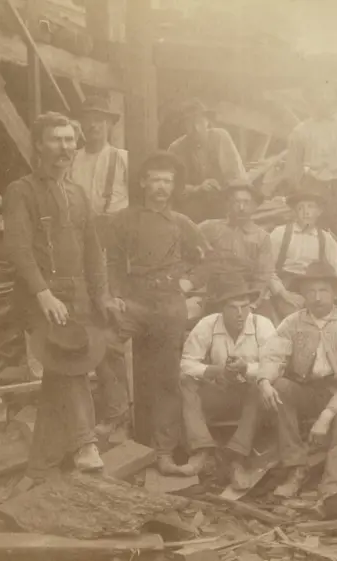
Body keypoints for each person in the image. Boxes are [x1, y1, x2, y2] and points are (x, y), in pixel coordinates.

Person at [3, 112, 110, 478]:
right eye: (55, 140)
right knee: (69, 363)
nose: (64, 147)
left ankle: (42, 465)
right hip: (41, 298)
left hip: (77, 296)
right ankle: (85, 443)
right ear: (38, 145)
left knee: (59, 373)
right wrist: (43, 294)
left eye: (69, 140)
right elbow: (18, 248)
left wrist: (101, 296)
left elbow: (93, 251)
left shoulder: (79, 194)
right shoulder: (21, 190)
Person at [104, 151, 210, 476]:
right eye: (156, 180)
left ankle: (163, 452)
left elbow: (207, 260)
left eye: (168, 181)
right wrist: (114, 295)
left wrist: (189, 282)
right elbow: (110, 262)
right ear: (143, 183)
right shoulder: (123, 220)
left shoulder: (181, 223)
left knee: (166, 378)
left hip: (168, 305)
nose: (162, 187)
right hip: (134, 301)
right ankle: (117, 417)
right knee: (103, 342)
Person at [258, 261, 337, 519]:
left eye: (323, 290)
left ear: (335, 293)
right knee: (280, 387)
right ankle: (296, 469)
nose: (317, 298)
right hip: (304, 389)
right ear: (303, 295)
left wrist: (327, 415)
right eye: (311, 291)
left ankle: (335, 490)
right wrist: (264, 381)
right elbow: (274, 355)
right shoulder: (292, 323)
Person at [69, 95, 130, 438]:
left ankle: (121, 410)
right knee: (88, 329)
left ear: (109, 124)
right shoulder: (73, 160)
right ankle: (103, 409)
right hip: (80, 246)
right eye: (87, 119)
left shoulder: (122, 159)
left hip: (114, 246)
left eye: (99, 119)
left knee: (112, 327)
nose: (92, 125)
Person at [180, 273, 276, 485]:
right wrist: (215, 371)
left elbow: (275, 365)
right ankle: (202, 450)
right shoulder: (208, 325)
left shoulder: (262, 325)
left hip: (252, 400)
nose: (240, 314)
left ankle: (236, 457)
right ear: (221, 308)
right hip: (220, 393)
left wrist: (246, 368)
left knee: (260, 386)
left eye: (244, 306)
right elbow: (185, 363)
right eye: (233, 308)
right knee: (186, 382)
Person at [264, 188, 337, 327]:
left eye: (311, 207)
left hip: (314, 282)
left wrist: (332, 287)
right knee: (298, 320)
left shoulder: (324, 237)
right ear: (295, 212)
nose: (306, 212)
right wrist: (284, 294)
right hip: (288, 284)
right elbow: (266, 268)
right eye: (301, 208)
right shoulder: (280, 233)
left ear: (319, 212)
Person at [284, 78, 337, 256]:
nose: (323, 98)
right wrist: (301, 192)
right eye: (318, 94)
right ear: (310, 99)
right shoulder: (301, 130)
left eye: (328, 93)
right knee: (312, 233)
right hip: (313, 188)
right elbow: (292, 169)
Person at [168, 99, 247, 223]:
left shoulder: (220, 137)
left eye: (199, 122)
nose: (196, 128)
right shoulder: (176, 149)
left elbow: (236, 175)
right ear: (183, 126)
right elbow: (173, 186)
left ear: (207, 122)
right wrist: (198, 188)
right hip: (193, 212)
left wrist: (222, 187)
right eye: (190, 124)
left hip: (223, 205)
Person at [198, 182, 273, 294]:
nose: (241, 208)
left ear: (254, 206)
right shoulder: (209, 228)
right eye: (236, 202)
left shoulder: (261, 237)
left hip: (244, 295)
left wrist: (251, 300)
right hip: (207, 293)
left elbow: (262, 277)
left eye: (247, 203)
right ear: (227, 204)